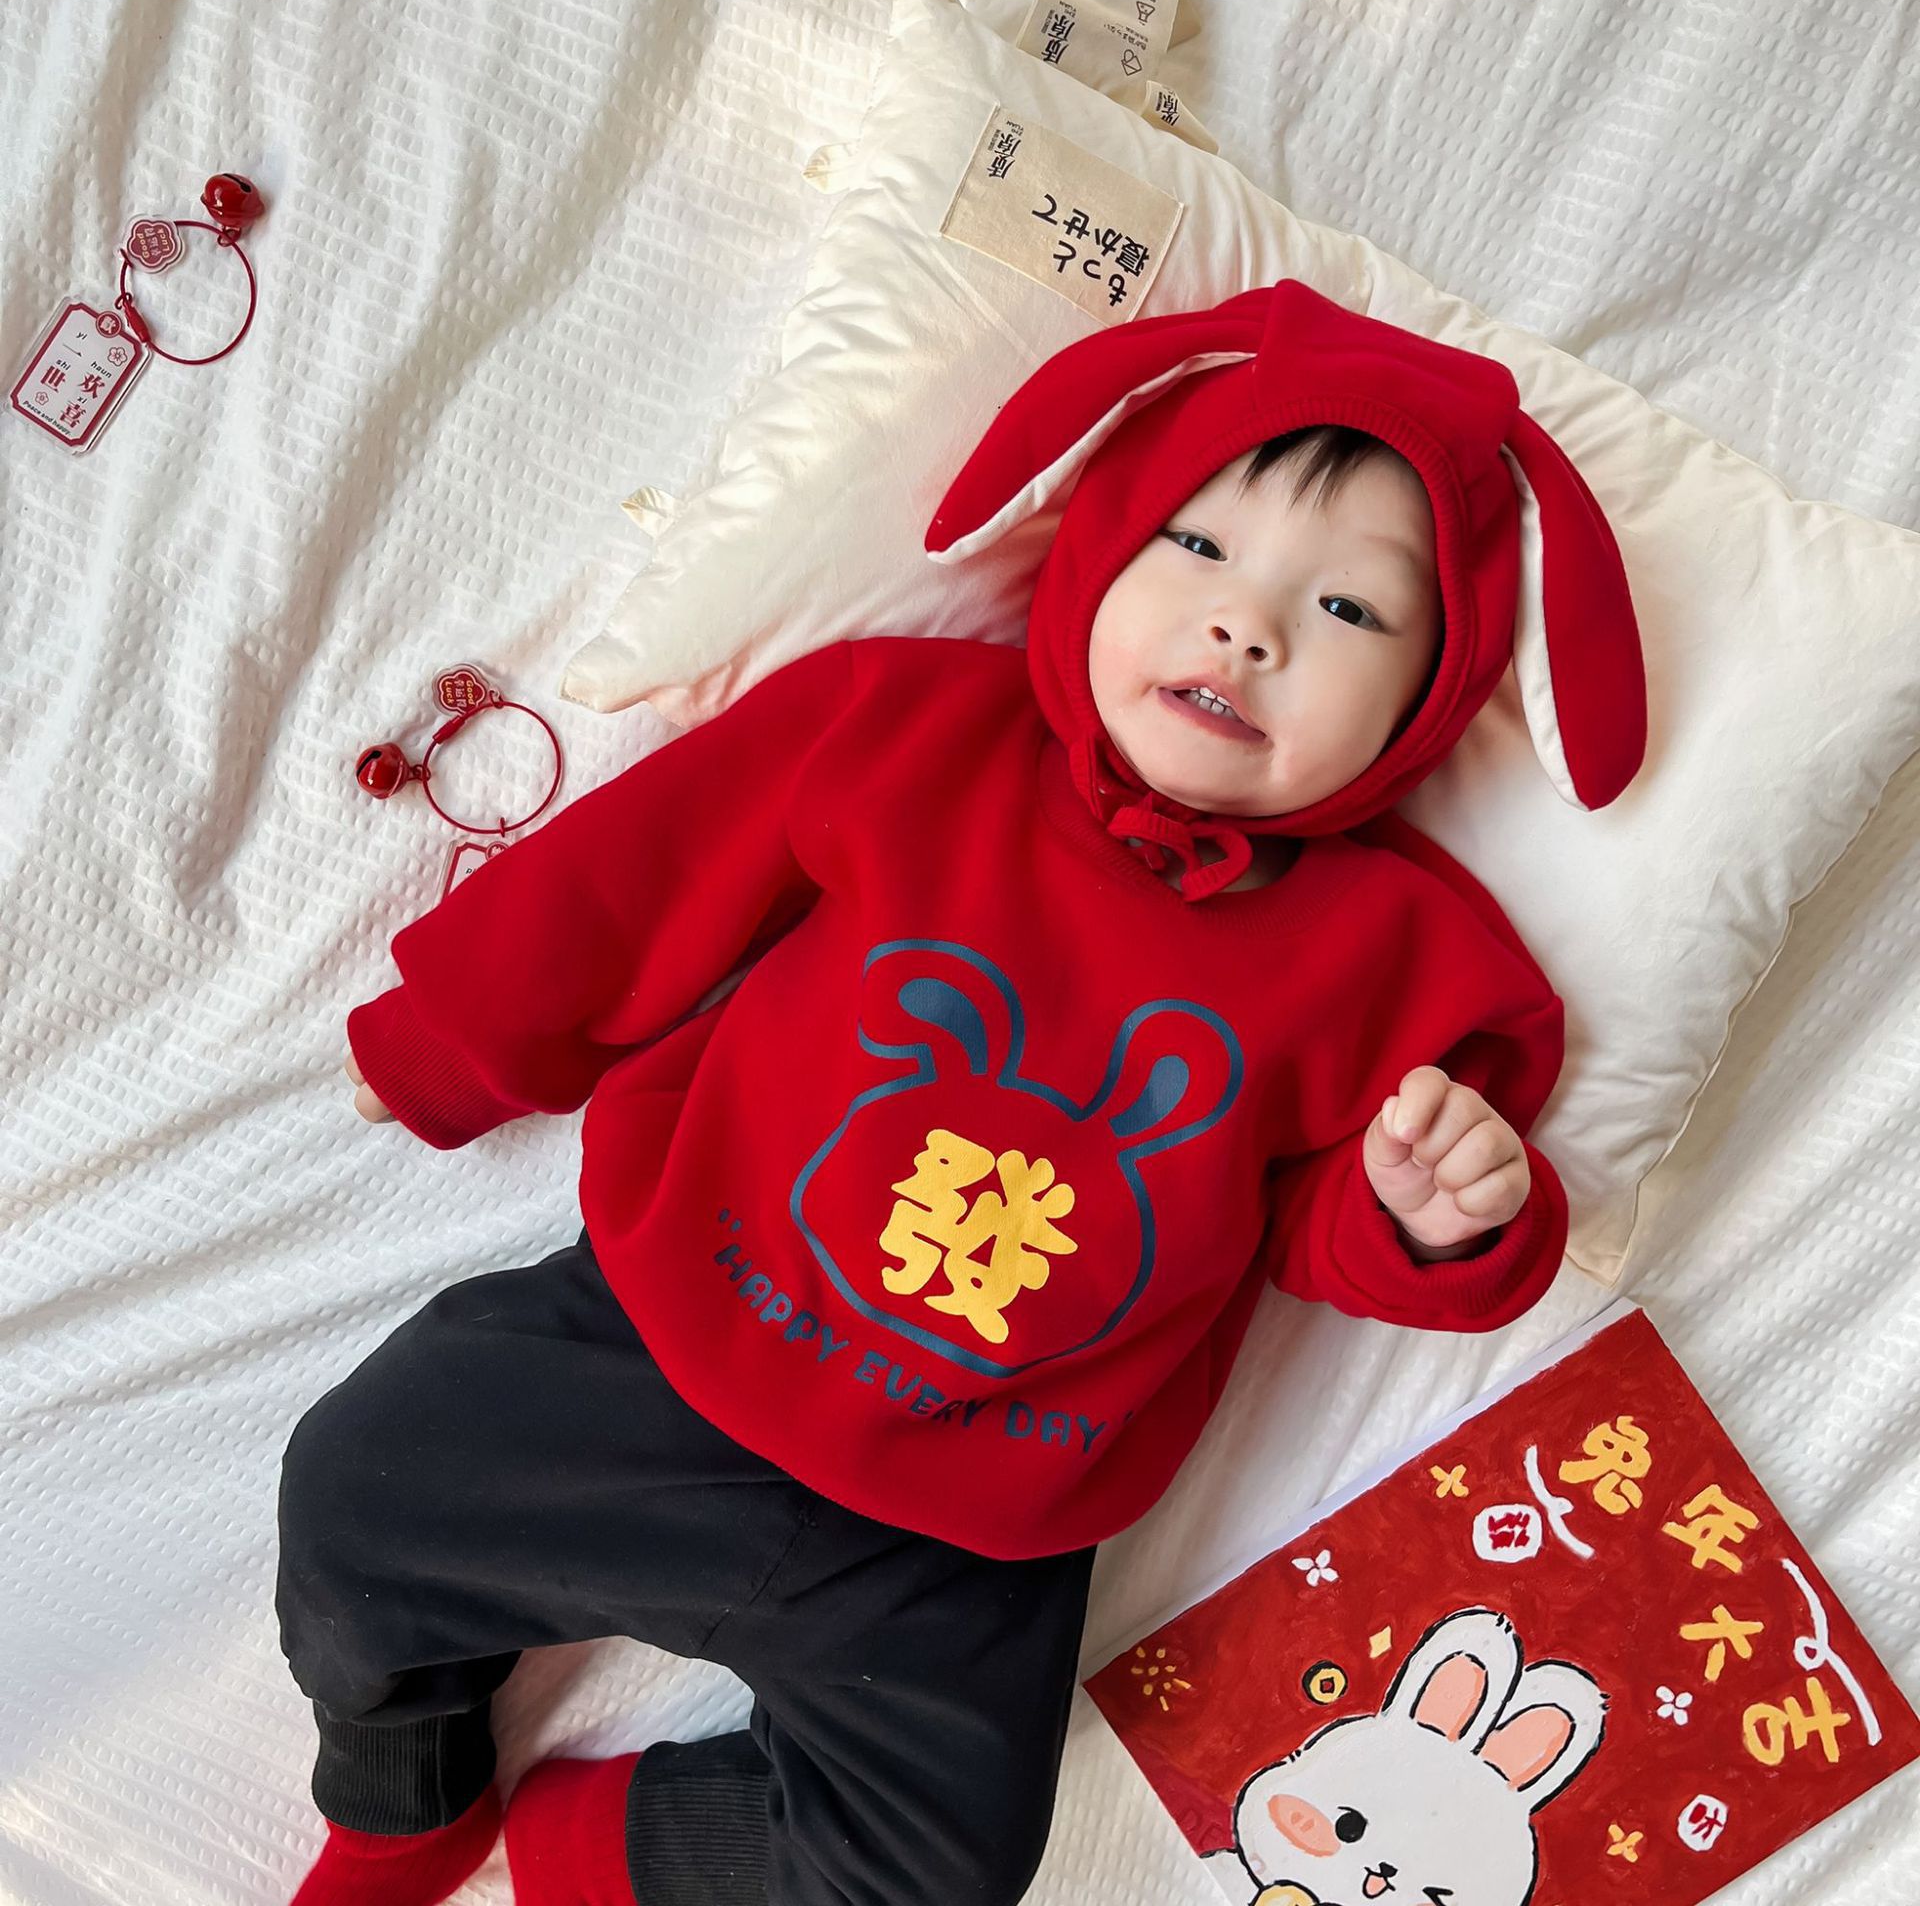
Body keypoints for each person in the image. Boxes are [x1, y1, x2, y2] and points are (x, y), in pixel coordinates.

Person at [278, 278, 1646, 1906]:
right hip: (663, 1351)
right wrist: (453, 1039)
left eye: (1351, 612)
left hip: (976, 1524)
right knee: (353, 1489)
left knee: (939, 1872)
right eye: (1198, 548)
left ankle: (588, 1847)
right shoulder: (910, 729)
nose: (1249, 629)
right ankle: (406, 1793)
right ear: (1105, 546)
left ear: (1435, 697)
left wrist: (1429, 1213)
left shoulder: (1402, 957)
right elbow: (651, 877)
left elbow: (1319, 1229)